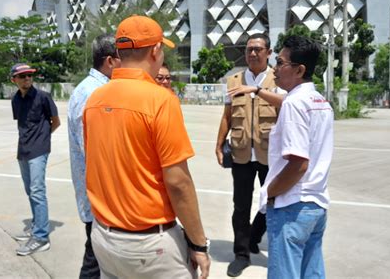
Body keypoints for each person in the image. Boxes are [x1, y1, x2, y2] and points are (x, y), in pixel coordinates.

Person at [83, 15, 211, 279]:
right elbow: (178, 182)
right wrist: (198, 243)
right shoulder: (160, 100)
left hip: (104, 238)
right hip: (149, 247)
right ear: (155, 51)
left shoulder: (95, 98)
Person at [259, 36, 333, 279]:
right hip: (317, 205)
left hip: (292, 205)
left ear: (299, 70)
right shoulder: (321, 102)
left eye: (280, 63)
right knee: (311, 273)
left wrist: (269, 192)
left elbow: (298, 164)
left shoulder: (294, 103)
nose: (274, 69)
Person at [215, 33, 284, 277]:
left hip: (271, 155)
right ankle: (241, 254)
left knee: (273, 203)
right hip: (242, 152)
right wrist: (218, 143)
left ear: (268, 52)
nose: (252, 53)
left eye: (257, 49)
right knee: (240, 206)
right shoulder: (234, 80)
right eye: (249, 49)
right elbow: (227, 115)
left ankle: (257, 236)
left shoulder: (279, 78)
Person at [68, 34, 121, 278]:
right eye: (124, 58)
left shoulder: (99, 89)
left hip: (100, 196)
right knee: (95, 262)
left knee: (98, 259)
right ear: (110, 61)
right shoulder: (92, 94)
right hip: (100, 197)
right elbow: (93, 152)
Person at [10, 63, 60, 256]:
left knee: (37, 191)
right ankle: (36, 224)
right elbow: (22, 124)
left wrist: (43, 139)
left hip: (39, 149)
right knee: (30, 190)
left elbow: (55, 122)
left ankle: (41, 237)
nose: (27, 79)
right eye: (22, 76)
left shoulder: (43, 97)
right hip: (23, 150)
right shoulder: (15, 99)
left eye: (29, 75)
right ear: (14, 79)